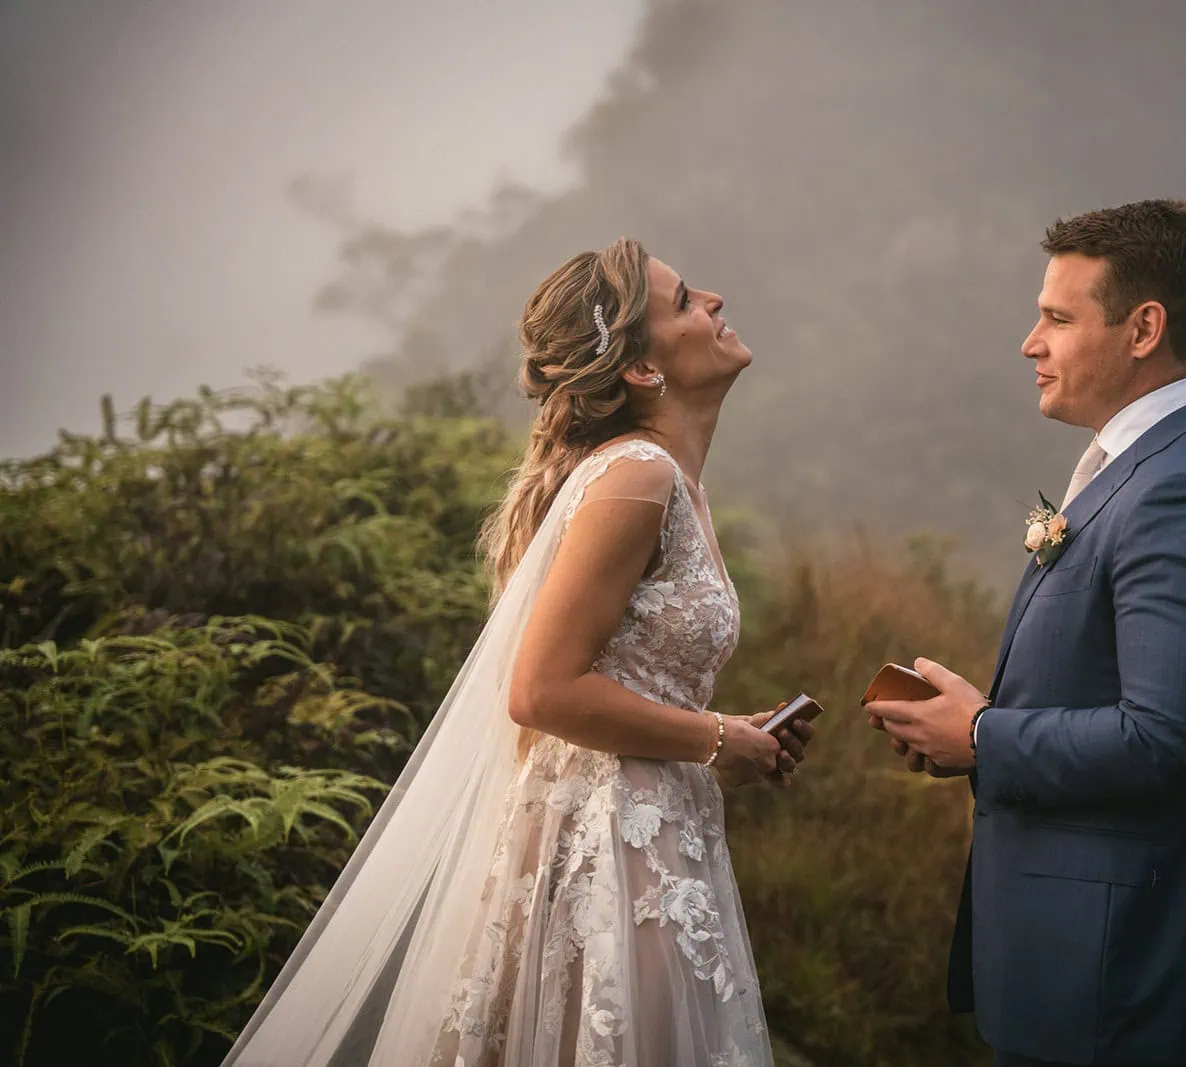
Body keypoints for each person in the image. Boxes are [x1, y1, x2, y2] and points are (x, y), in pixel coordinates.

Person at [225, 237, 810, 1067]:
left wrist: (727, 736)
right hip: (606, 843)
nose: (713, 299)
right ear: (642, 370)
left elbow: (623, 680)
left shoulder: (673, 482)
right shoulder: (637, 476)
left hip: (659, 827)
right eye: (682, 302)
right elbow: (540, 690)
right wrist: (715, 737)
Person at [867, 200, 1186, 1066]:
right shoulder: (1137, 472)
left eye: (1057, 317)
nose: (1031, 342)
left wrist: (983, 736)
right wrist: (973, 726)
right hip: (1075, 967)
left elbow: (1165, 741)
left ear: (1144, 329)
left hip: (1127, 978)